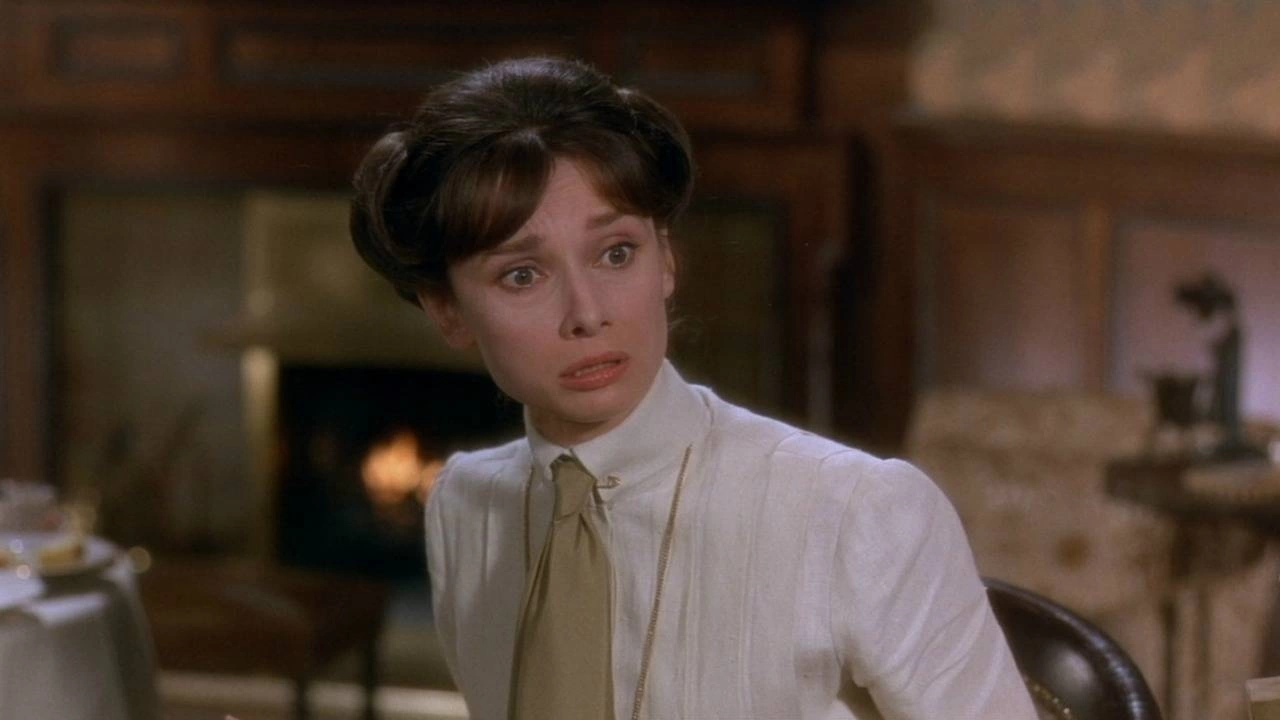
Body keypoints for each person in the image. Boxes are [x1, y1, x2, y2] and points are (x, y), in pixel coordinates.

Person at [350, 56, 1035, 720]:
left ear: (667, 259)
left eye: (617, 253)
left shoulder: (857, 511)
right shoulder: (465, 505)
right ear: (447, 310)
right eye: (522, 275)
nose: (588, 314)